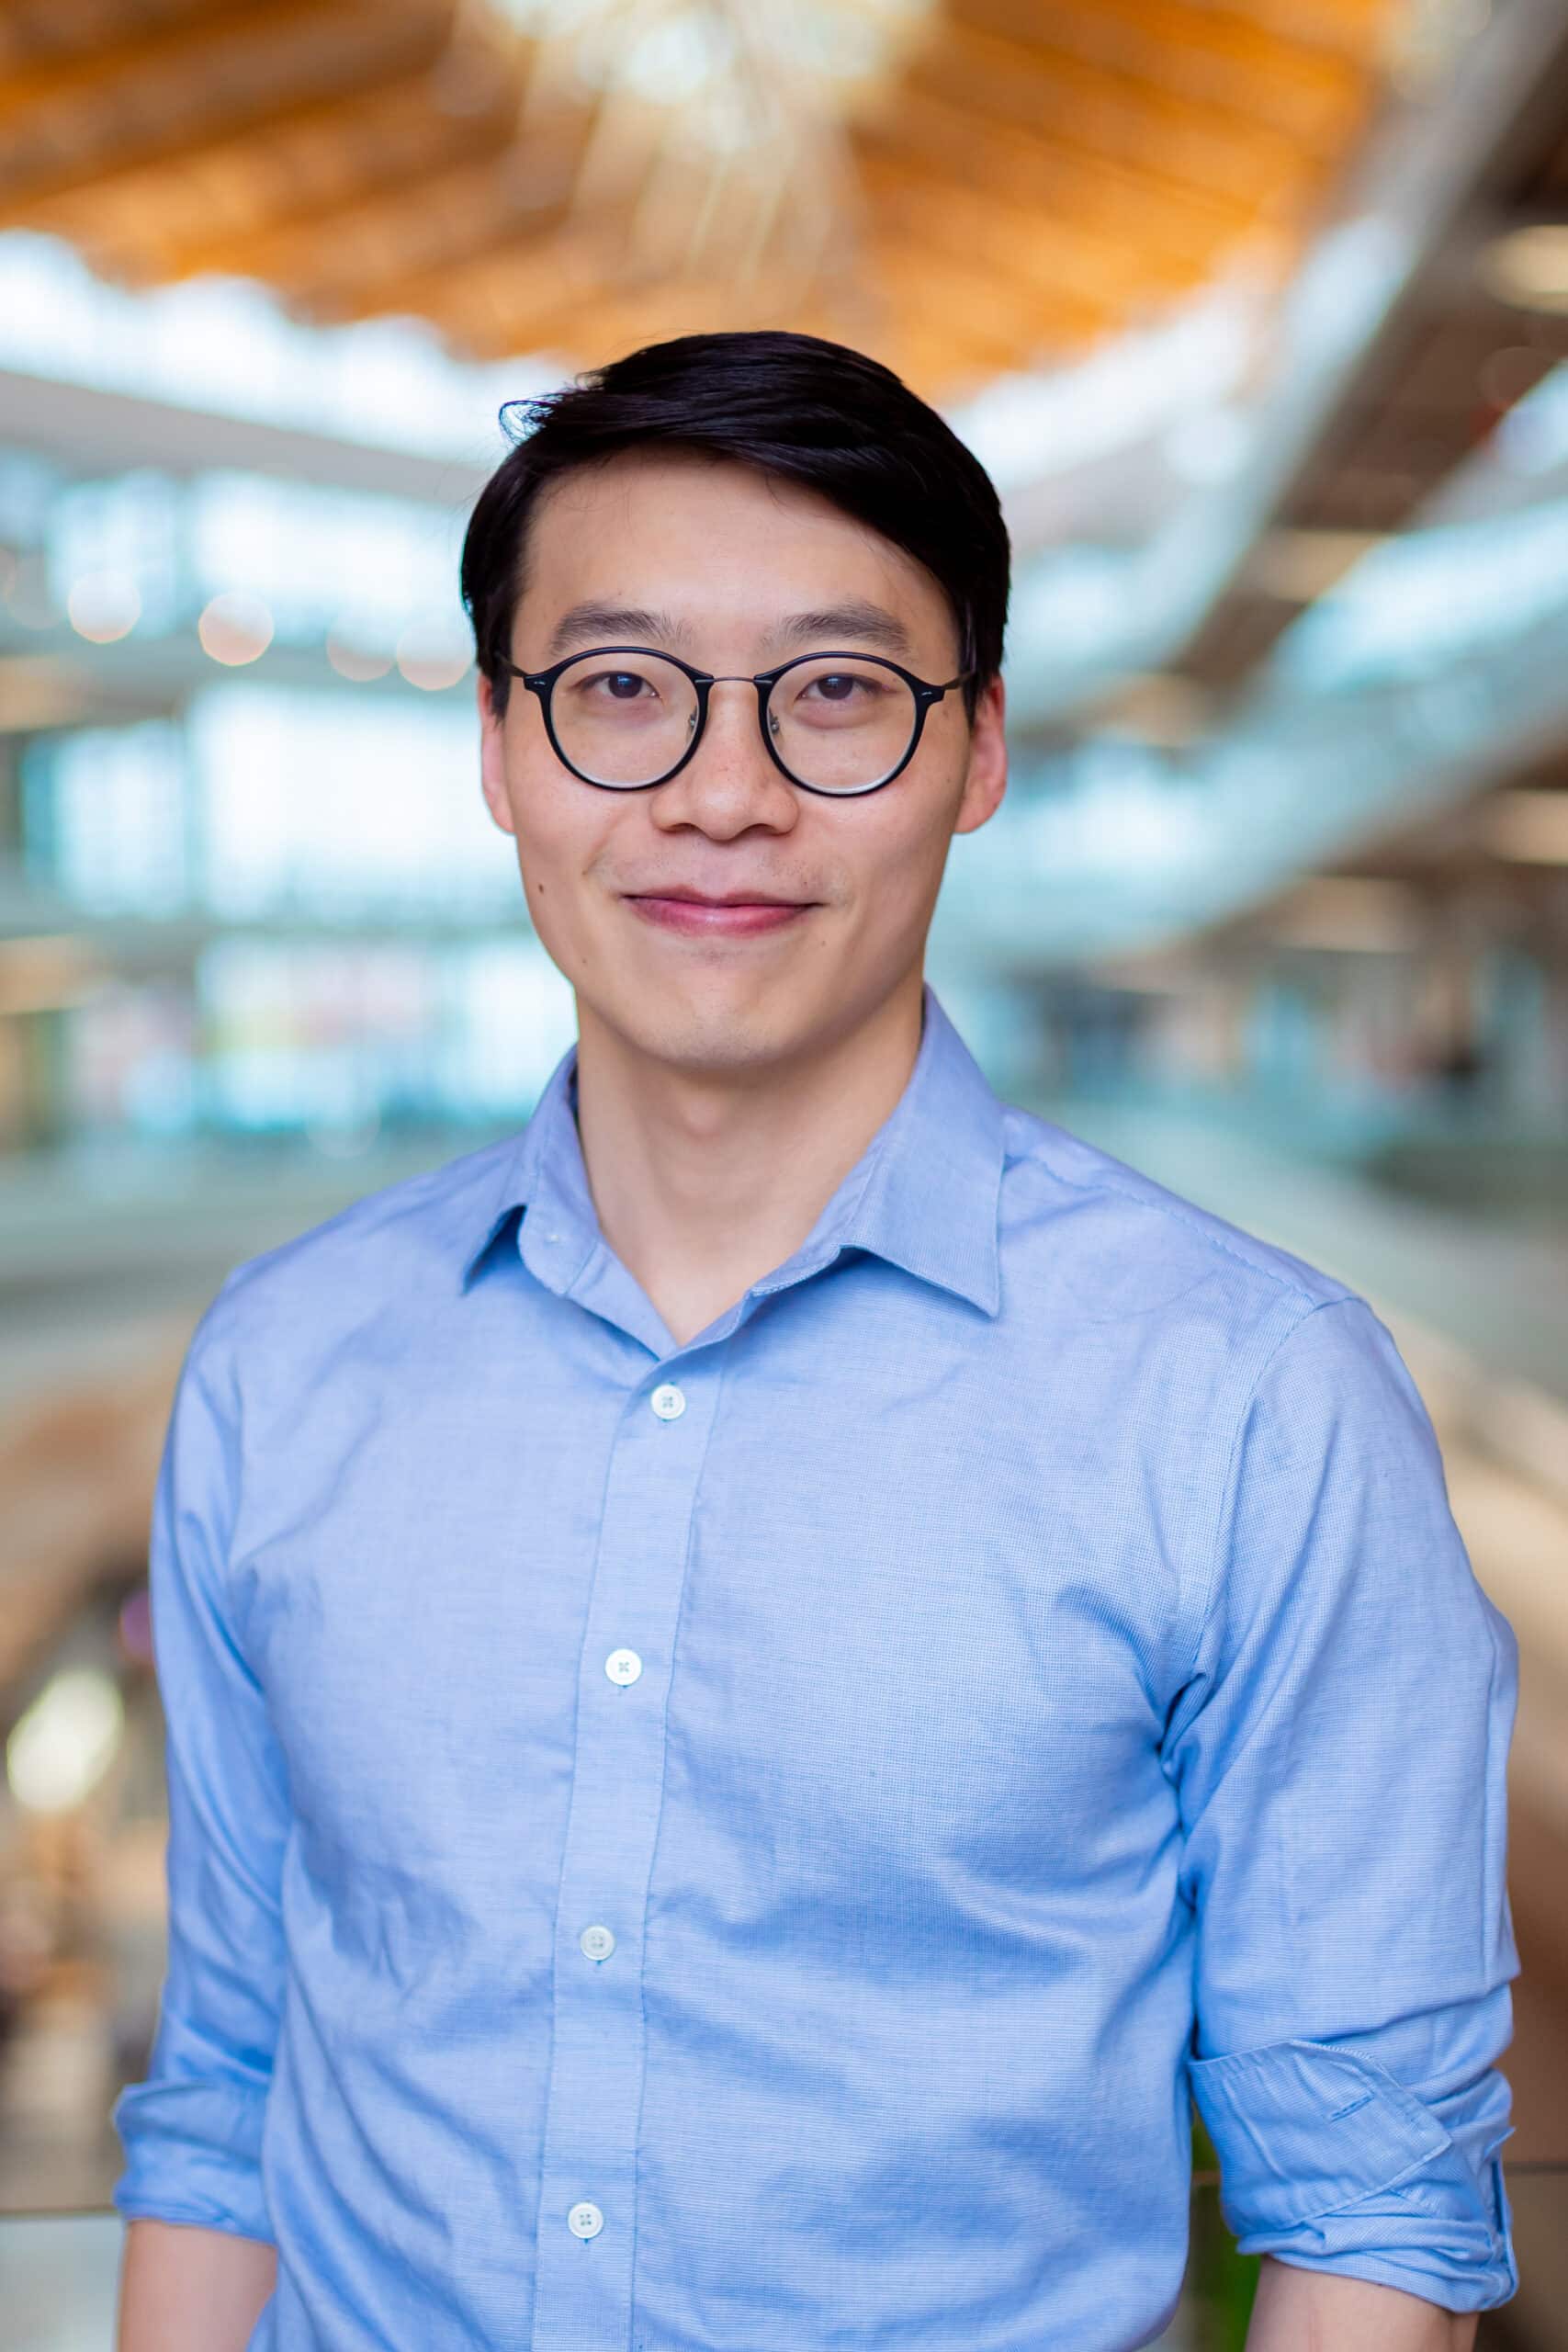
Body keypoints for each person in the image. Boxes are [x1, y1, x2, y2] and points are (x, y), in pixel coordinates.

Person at [113, 330, 1518, 2352]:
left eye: (836, 694)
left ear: (978, 749)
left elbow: (1367, 2205)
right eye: (616, 691)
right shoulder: (284, 1361)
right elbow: (229, 2097)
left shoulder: (1249, 1396)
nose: (720, 793)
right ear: (499, 747)